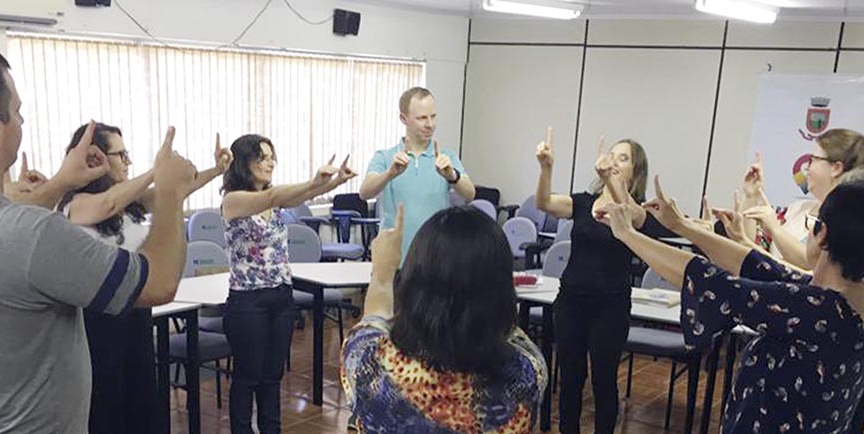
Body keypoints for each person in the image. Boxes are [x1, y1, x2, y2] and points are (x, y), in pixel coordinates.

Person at [0, 42, 196, 433]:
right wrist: (169, 191)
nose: (20, 121)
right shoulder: (33, 236)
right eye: (16, 112)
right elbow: (158, 281)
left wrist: (64, 181)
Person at [598, 175, 864, 434]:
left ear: (822, 234)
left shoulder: (816, 307)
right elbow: (757, 265)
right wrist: (683, 227)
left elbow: (711, 282)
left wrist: (627, 234)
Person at [57, 122, 233, 434]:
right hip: (96, 321)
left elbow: (177, 189)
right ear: (95, 159)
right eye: (120, 154)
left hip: (135, 311)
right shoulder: (77, 204)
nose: (127, 161)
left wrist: (217, 170)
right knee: (106, 405)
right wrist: (158, 171)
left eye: (128, 154)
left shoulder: (131, 202)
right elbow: (108, 203)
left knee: (139, 399)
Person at [340, 204, 548, 433]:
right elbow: (505, 324)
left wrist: (382, 269)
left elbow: (373, 317)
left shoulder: (371, 363)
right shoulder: (528, 373)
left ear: (412, 284)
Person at [532, 126, 675, 433]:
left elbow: (633, 218)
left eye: (622, 158)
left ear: (635, 171)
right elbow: (544, 202)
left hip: (610, 306)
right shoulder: (584, 202)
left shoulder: (636, 209)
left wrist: (611, 180)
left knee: (603, 378)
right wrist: (546, 168)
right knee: (570, 376)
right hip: (571, 301)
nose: (614, 161)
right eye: (612, 154)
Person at [219, 134, 356, 434]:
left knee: (271, 376)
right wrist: (314, 180)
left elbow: (291, 197)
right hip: (248, 301)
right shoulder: (233, 199)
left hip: (280, 297)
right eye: (261, 157)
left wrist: (334, 183)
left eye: (271, 157)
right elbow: (272, 197)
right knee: (247, 376)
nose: (270, 163)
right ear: (244, 163)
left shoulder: (276, 201)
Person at [741, 129, 864, 268]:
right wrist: (751, 196)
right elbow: (753, 246)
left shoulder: (848, 222)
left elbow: (812, 265)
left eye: (813, 160)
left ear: (836, 168)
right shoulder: (799, 208)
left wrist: (775, 229)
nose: (806, 168)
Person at [359, 87, 475, 255]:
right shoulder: (385, 157)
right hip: (394, 258)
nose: (430, 124)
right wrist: (389, 174)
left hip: (435, 256)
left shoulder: (446, 157)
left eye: (433, 116)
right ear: (403, 118)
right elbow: (365, 192)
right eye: (422, 118)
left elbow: (470, 194)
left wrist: (452, 176)